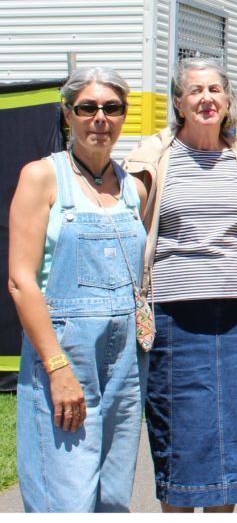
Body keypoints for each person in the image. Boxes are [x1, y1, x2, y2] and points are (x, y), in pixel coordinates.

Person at [123, 57, 237, 512]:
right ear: (178, 102)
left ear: (228, 99)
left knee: (234, 437)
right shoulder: (150, 159)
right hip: (175, 315)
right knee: (180, 437)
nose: (206, 99)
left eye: (215, 90)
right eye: (195, 91)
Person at [10, 67, 147, 512]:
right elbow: (21, 281)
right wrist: (57, 368)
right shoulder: (41, 178)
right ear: (67, 115)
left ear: (124, 116)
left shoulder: (133, 189)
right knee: (65, 502)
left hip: (125, 368)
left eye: (111, 108)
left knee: (110, 499)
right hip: (67, 360)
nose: (100, 118)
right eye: (87, 107)